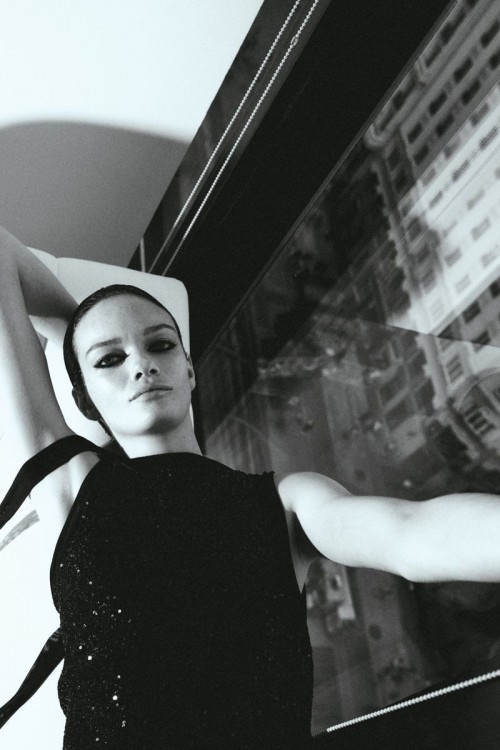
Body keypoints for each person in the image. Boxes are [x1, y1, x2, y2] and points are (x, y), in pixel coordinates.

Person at [1, 225, 500, 749]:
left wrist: (90, 341)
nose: (142, 364)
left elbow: (409, 532)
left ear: (190, 371)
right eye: (110, 360)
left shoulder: (286, 502)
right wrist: (76, 327)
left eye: (160, 345)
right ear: (83, 400)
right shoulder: (72, 485)